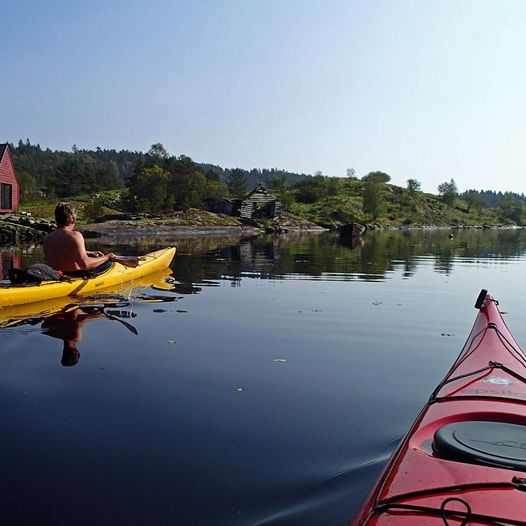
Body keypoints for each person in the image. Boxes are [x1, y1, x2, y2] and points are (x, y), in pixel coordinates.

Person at [44, 203, 117, 275]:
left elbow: (63, 252)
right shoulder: (75, 236)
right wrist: (107, 257)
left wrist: (87, 253)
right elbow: (85, 264)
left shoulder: (48, 238)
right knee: (108, 264)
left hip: (57, 275)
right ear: (72, 219)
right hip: (75, 276)